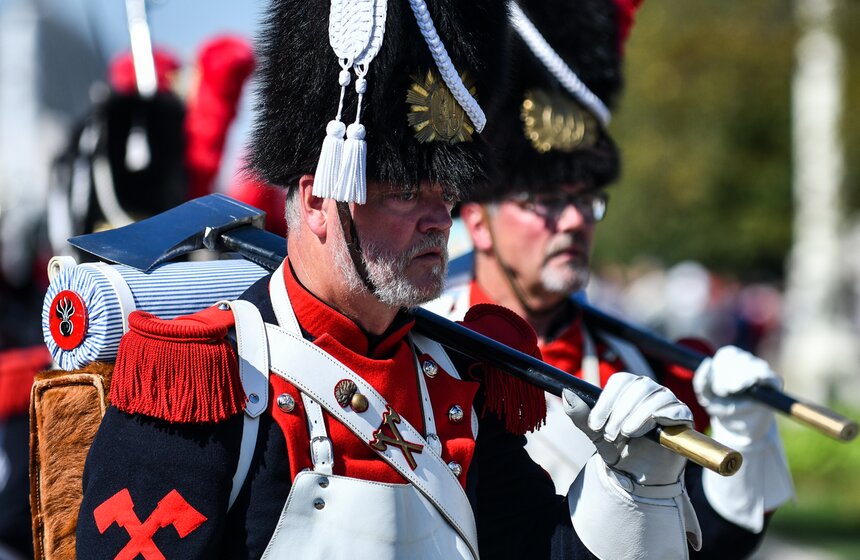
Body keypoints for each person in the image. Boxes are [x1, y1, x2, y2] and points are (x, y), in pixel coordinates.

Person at [76, 1, 704, 558]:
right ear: (318, 201)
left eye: (446, 193)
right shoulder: (203, 379)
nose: (440, 220)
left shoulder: (460, 378)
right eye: (406, 192)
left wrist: (632, 485)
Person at [426, 0, 794, 556]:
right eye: (547, 201)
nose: (576, 221)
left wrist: (743, 434)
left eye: (585, 200)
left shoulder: (641, 362)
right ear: (478, 222)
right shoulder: (430, 348)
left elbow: (704, 547)